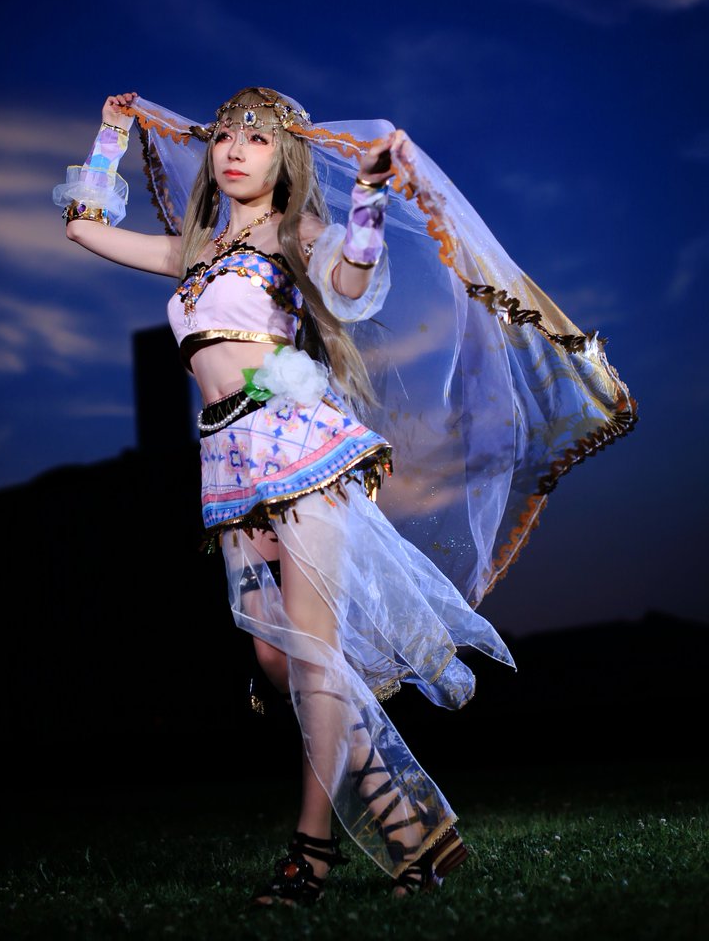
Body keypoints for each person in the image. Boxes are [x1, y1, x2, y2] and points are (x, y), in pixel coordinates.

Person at [53, 86, 636, 904]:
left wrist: (367, 196)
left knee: (313, 653)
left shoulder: (295, 233)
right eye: (225, 136)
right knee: (274, 656)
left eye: (257, 139)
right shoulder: (195, 251)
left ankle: (312, 850)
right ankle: (416, 833)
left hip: (298, 446)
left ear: (284, 158)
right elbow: (82, 226)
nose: (235, 150)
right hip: (226, 462)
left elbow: (353, 279)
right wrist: (111, 134)